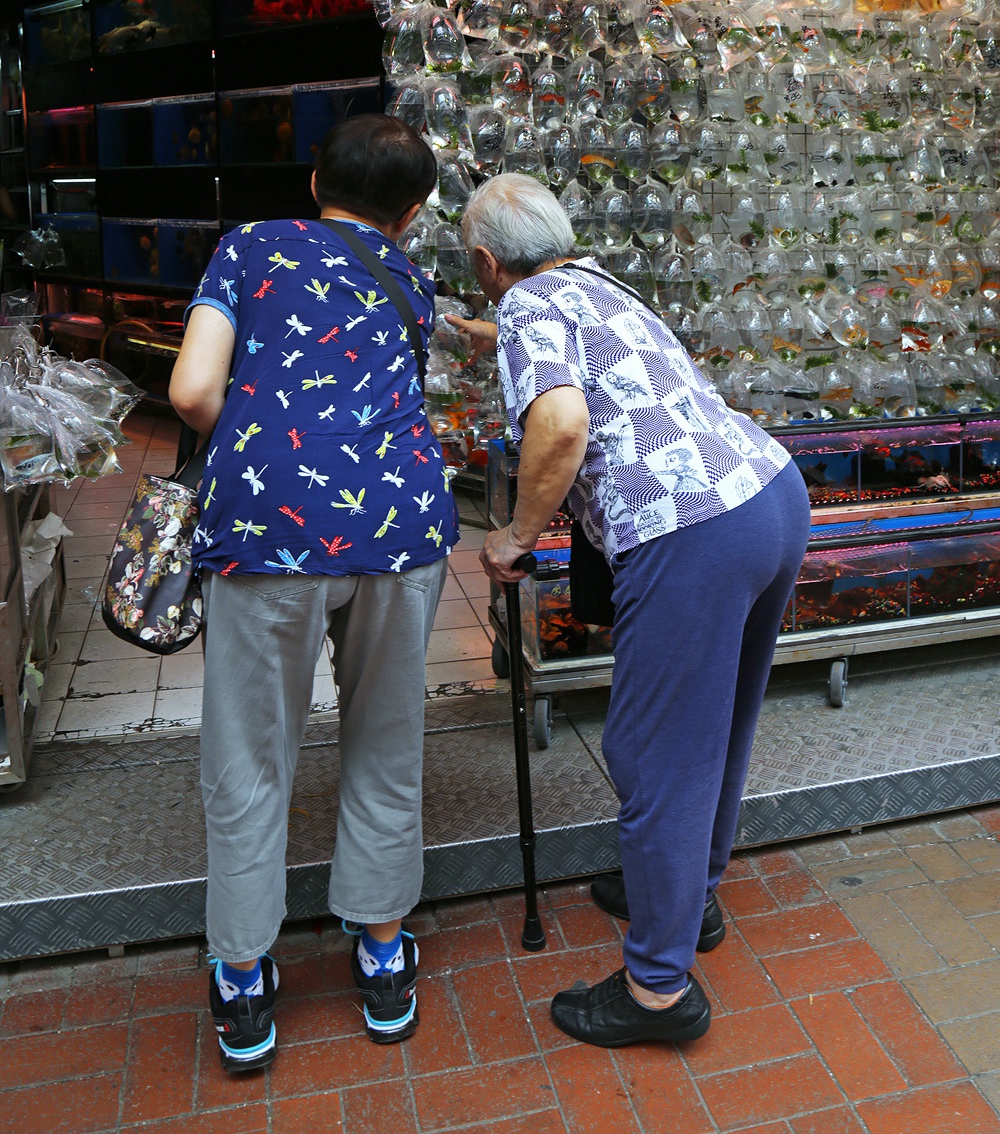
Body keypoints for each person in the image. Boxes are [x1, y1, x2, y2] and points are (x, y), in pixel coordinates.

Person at [455, 173, 810, 1049]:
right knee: (717, 724)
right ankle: (694, 895)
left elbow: (564, 424)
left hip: (688, 527)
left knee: (653, 753)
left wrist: (513, 536)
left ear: (486, 262)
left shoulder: (529, 304)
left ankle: (658, 987)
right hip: (766, 491)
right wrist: (481, 332)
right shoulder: (601, 284)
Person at [169, 114, 459, 1071]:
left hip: (267, 528)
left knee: (250, 754)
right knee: (385, 737)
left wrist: (257, 458)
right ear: (412, 215)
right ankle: (381, 955)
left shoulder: (247, 247)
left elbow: (189, 390)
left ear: (312, 181)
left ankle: (244, 980)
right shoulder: (411, 278)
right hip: (400, 525)